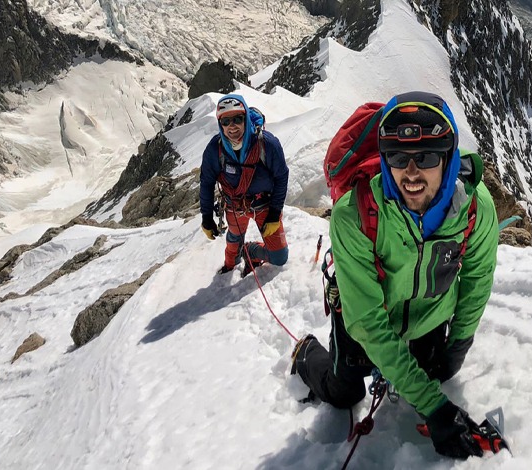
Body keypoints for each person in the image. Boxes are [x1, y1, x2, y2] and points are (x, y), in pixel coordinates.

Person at [291, 91, 499, 460]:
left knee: (437, 376)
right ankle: (307, 352)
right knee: (344, 394)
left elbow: (477, 278)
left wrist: (459, 342)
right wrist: (434, 407)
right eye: (398, 158)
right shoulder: (355, 214)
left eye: (427, 157)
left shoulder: (475, 208)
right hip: (364, 319)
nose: (411, 172)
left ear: (449, 157)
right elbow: (368, 321)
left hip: (429, 319)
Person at [199, 94, 289, 274]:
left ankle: (251, 251)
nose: (232, 126)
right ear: (220, 124)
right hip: (235, 206)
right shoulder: (215, 149)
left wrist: (274, 213)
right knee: (233, 244)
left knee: (279, 257)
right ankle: (231, 264)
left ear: (246, 118)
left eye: (237, 119)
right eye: (225, 121)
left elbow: (281, 177)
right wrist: (206, 217)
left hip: (264, 205)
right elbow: (207, 183)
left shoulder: (267, 144)